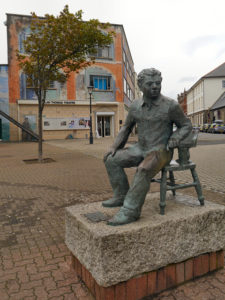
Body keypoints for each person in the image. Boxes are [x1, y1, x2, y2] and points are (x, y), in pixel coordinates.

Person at [103, 68, 192, 226]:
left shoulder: (171, 105)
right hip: (140, 148)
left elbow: (186, 125)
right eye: (150, 84)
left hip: (161, 150)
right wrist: (114, 147)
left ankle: (131, 210)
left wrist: (175, 138)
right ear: (140, 85)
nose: (155, 86)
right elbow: (126, 128)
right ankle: (121, 196)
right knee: (111, 160)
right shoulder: (136, 106)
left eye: (158, 83)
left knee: (143, 169)